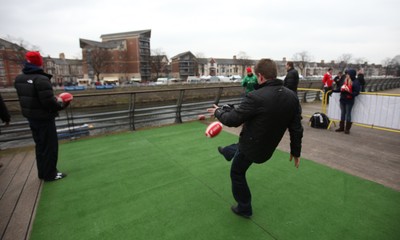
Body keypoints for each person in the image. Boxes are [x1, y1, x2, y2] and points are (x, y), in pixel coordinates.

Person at [207, 58, 303, 218]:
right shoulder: (292, 97)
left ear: (260, 76)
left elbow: (232, 120)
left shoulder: (255, 96)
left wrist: (218, 112)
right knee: (240, 148)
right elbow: (296, 128)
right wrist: (296, 151)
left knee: (237, 172)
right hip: (267, 147)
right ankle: (227, 152)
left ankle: (244, 208)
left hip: (252, 148)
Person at [14, 51, 69, 181]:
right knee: (50, 146)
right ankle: (51, 174)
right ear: (40, 63)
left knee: (40, 145)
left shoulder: (19, 79)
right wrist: (62, 104)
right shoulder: (41, 79)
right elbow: (48, 102)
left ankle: (42, 172)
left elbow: (29, 98)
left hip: (31, 117)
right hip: (44, 117)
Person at [335, 69, 360, 134]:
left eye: (348, 74)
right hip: (343, 99)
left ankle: (347, 129)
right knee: (342, 113)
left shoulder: (356, 82)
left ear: (351, 75)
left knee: (348, 114)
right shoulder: (345, 80)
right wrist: (333, 91)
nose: (347, 75)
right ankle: (341, 127)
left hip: (349, 100)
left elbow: (357, 92)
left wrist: (350, 93)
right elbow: (340, 88)